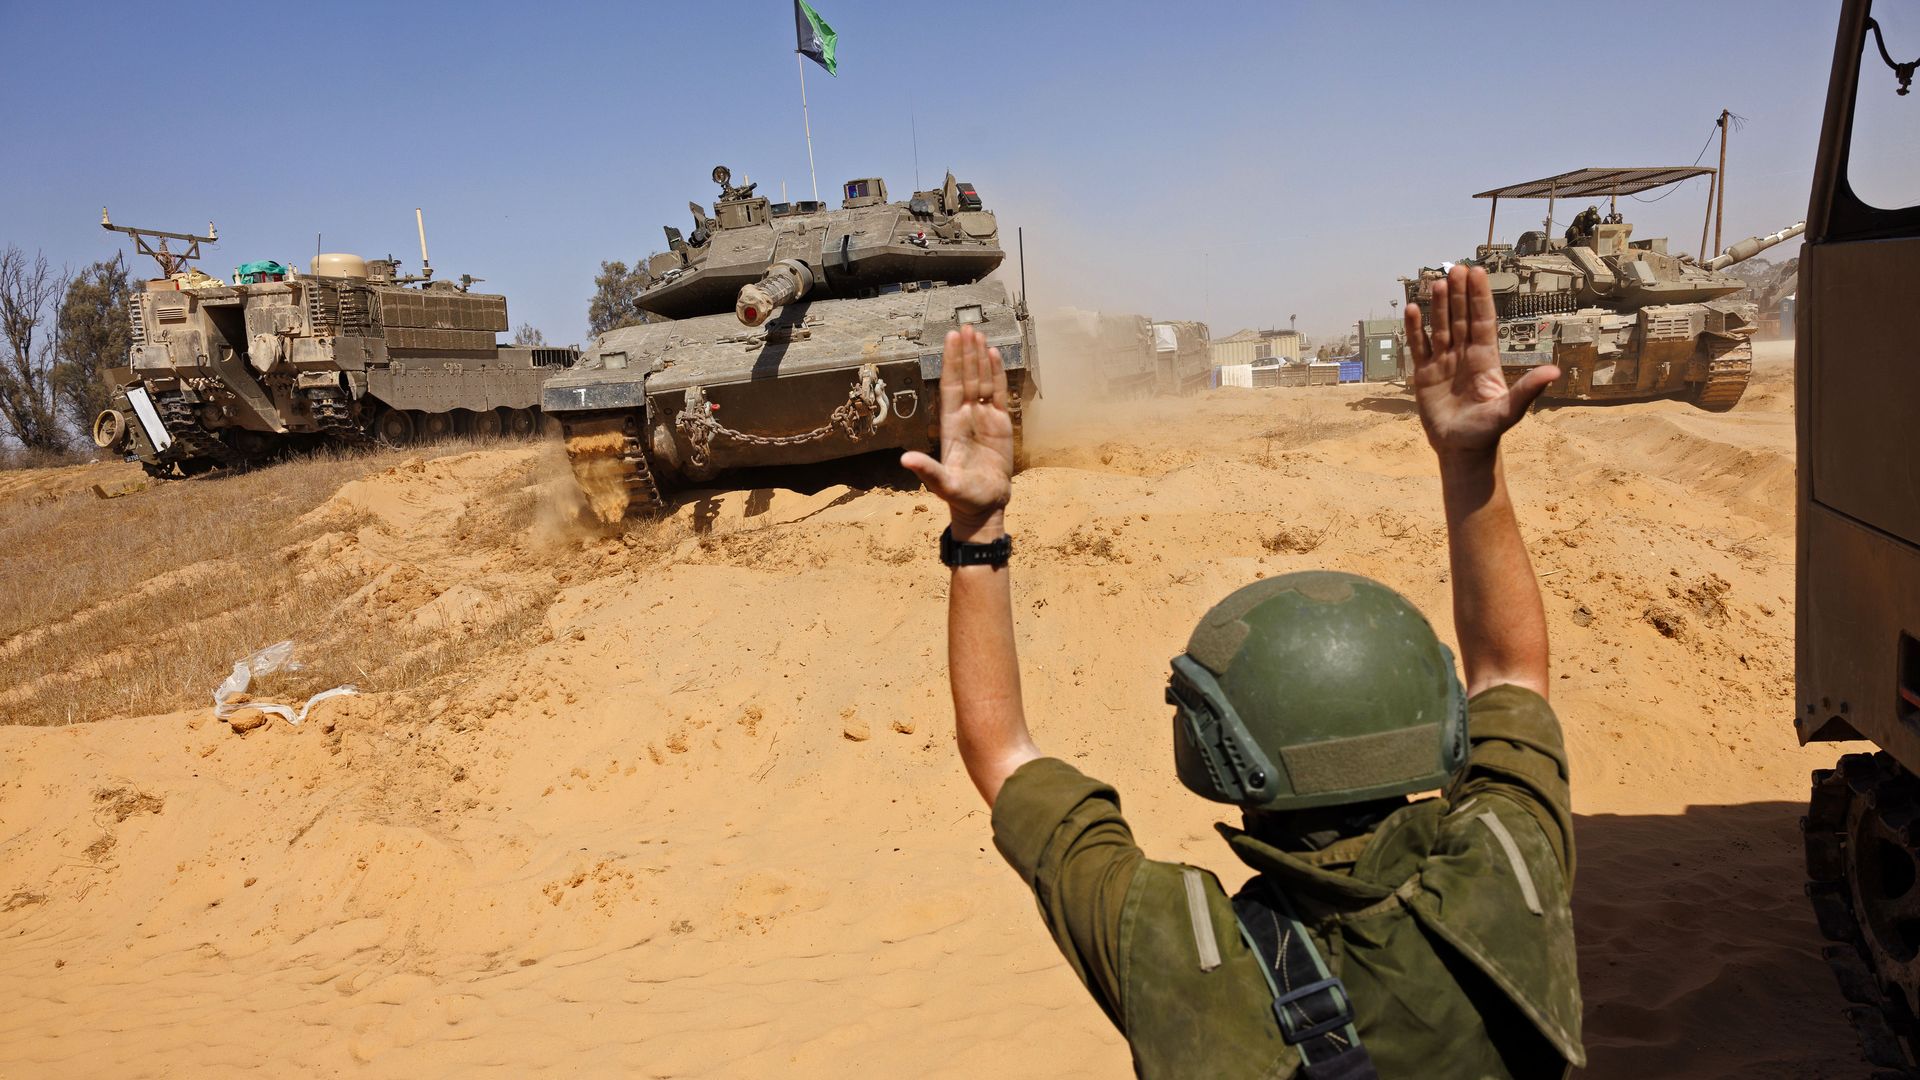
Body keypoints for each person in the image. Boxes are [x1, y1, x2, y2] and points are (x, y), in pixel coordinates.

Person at [900, 265, 1582, 1079]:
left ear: (1220, 750)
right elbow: (1512, 671)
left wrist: (979, 529)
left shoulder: (1178, 947)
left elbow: (1000, 751)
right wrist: (1471, 463)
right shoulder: (1510, 862)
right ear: (1438, 719)